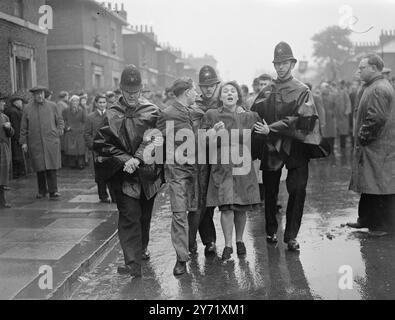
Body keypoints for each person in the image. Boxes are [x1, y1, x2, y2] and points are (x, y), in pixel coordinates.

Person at [94, 65, 163, 278]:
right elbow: (102, 145)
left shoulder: (152, 111)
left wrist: (139, 158)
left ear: (141, 89)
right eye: (128, 92)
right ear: (121, 90)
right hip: (124, 177)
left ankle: (141, 249)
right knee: (129, 217)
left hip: (147, 175)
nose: (132, 96)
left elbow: (159, 138)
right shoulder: (111, 114)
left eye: (136, 92)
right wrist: (126, 160)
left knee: (144, 217)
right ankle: (132, 263)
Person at [252, 42, 321, 251]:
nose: (281, 67)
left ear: (292, 63)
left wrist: (271, 128)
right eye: (277, 63)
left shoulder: (302, 90)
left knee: (298, 190)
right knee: (270, 191)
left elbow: (303, 119)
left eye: (285, 63)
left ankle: (291, 235)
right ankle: (272, 230)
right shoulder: (266, 90)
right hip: (272, 146)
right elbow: (254, 117)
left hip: (296, 145)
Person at [201, 81, 261, 260]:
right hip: (222, 166)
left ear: (237, 96)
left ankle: (240, 241)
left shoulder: (250, 116)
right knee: (226, 207)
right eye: (225, 91)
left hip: (243, 165)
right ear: (220, 97)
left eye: (232, 91)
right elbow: (201, 140)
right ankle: (227, 245)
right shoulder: (212, 114)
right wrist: (212, 131)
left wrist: (266, 132)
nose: (229, 93)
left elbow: (259, 137)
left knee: (241, 206)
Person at [156, 77, 204, 275]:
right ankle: (181, 259)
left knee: (194, 211)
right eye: (194, 90)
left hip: (196, 170)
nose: (197, 94)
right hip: (177, 172)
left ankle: (190, 244)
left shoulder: (196, 112)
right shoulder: (167, 114)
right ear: (186, 92)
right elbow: (155, 139)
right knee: (178, 213)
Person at [347, 54, 395, 236]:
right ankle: (366, 219)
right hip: (376, 147)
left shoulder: (378, 89)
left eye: (362, 68)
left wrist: (363, 137)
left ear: (374, 68)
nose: (358, 71)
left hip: (378, 147)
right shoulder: (373, 86)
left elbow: (376, 118)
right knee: (371, 184)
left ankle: (381, 226)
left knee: (380, 186)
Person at [192, 65, 222, 256]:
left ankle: (230, 240)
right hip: (201, 158)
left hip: (220, 157)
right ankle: (208, 240)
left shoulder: (224, 104)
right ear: (200, 87)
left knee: (221, 199)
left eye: (211, 85)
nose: (208, 89)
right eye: (205, 86)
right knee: (202, 199)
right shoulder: (193, 108)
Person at [20, 86, 64, 200]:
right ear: (33, 95)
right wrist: (23, 142)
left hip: (51, 141)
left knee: (51, 167)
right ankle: (42, 191)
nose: (40, 96)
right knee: (39, 167)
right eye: (37, 94)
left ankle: (53, 191)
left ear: (44, 94)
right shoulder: (27, 108)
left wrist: (59, 131)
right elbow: (23, 127)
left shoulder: (52, 105)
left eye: (41, 93)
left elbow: (60, 120)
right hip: (36, 142)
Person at [85, 94, 114, 203]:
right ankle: (103, 195)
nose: (102, 104)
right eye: (100, 102)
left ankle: (114, 195)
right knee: (100, 174)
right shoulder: (90, 117)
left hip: (110, 149)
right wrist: (92, 145)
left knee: (112, 172)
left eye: (104, 102)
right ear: (96, 104)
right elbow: (87, 134)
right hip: (97, 150)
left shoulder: (111, 115)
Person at [5, 94, 27, 178]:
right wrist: (19, 138)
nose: (22, 104)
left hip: (12, 137)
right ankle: (17, 173)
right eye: (21, 102)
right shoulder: (14, 112)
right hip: (15, 137)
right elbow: (16, 126)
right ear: (16, 102)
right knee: (17, 156)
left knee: (16, 156)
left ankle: (17, 173)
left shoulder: (11, 110)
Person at [63, 95, 87, 169]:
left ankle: (81, 164)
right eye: (73, 101)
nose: (75, 102)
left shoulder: (81, 110)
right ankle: (72, 164)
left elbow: (85, 121)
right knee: (71, 149)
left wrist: (82, 129)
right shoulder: (66, 110)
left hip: (79, 132)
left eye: (77, 101)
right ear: (70, 102)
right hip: (70, 132)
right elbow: (62, 120)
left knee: (80, 149)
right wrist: (66, 127)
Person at [0, 92, 14, 208]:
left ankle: (2, 200)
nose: (3, 103)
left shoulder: (4, 117)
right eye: (1, 102)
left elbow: (11, 134)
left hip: (3, 148)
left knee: (3, 173)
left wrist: (9, 129)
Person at [320, 82, 337, 153]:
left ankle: (332, 149)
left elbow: (335, 105)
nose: (326, 89)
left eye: (327, 87)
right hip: (323, 118)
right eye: (324, 87)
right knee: (324, 134)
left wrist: (334, 112)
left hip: (331, 117)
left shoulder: (332, 96)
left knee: (332, 134)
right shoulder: (319, 97)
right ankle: (326, 150)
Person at [337, 80, 352, 149]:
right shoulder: (337, 92)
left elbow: (348, 103)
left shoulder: (345, 92)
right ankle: (341, 146)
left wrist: (346, 111)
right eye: (340, 84)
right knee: (340, 131)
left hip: (343, 115)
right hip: (338, 115)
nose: (341, 85)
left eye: (342, 84)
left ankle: (343, 146)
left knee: (343, 131)